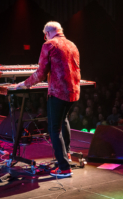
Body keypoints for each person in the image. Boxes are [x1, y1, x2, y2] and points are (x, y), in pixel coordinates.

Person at [15, 21, 80, 177]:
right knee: (63, 121)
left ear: (47, 33)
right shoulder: (72, 44)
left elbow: (41, 73)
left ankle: (64, 167)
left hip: (58, 93)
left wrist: (25, 84)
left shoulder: (49, 45)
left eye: (45, 36)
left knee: (54, 129)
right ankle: (67, 155)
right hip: (74, 92)